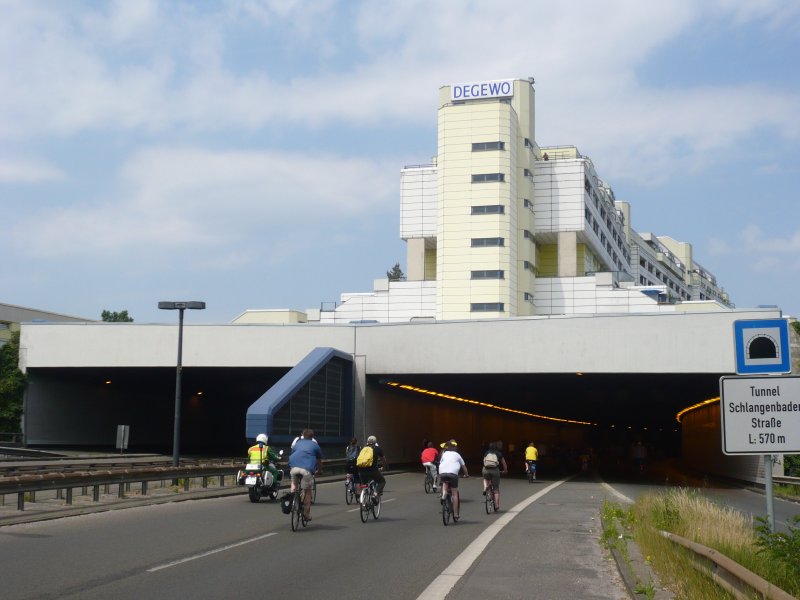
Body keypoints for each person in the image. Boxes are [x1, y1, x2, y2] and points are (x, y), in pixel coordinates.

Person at [288, 429, 323, 521]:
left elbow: (292, 455)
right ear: (312, 436)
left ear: (303, 435)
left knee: (294, 483)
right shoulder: (315, 446)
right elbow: (319, 461)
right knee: (307, 491)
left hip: (294, 468)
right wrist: (319, 471)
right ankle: (306, 514)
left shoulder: (297, 443)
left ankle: (292, 498)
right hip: (306, 470)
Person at [438, 440, 469, 521]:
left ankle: (444, 494)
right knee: (454, 494)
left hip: (442, 473)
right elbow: (463, 466)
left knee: (445, 481)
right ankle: (455, 514)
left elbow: (441, 462)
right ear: (454, 448)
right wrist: (466, 474)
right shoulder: (457, 454)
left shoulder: (444, 454)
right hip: (453, 474)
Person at [482, 441, 508, 510]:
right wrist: (505, 470)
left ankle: (485, 488)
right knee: (496, 488)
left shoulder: (486, 452)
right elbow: (504, 463)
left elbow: (484, 462)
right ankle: (496, 505)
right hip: (495, 470)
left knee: (485, 478)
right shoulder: (499, 453)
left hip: (486, 470)